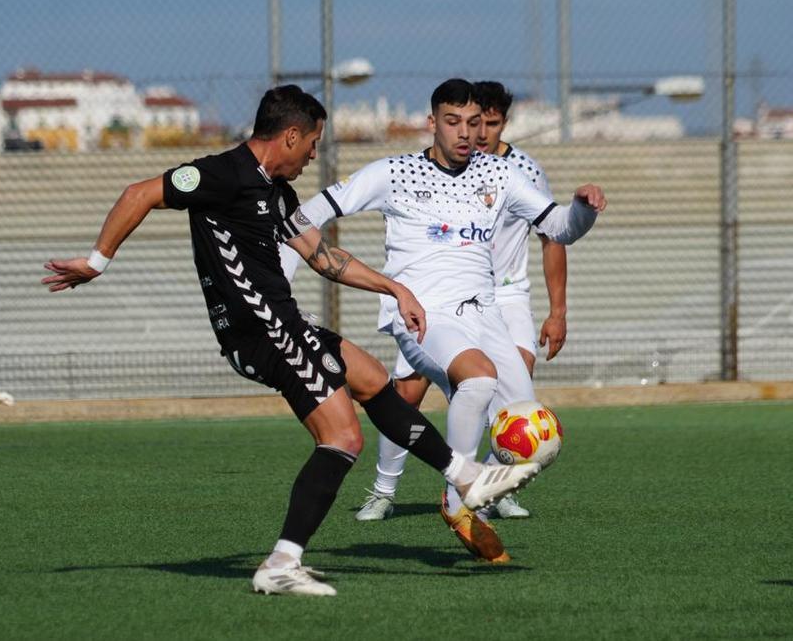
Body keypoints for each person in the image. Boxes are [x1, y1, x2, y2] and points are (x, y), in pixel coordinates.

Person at [41, 85, 540, 597]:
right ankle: (284, 562)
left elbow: (323, 257)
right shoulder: (221, 174)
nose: (313, 155)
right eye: (313, 143)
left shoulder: (277, 194)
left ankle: (463, 476)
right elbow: (138, 193)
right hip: (258, 330)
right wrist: (96, 261)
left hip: (284, 323)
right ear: (291, 135)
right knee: (343, 438)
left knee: (370, 376)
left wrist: (394, 286)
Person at [297, 78, 605, 562]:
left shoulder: (501, 175)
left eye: (474, 123)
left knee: (534, 433)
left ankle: (478, 498)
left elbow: (560, 227)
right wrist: (281, 275)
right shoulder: (393, 172)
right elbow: (306, 215)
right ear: (432, 123)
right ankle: (457, 498)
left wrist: (584, 208)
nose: (465, 132)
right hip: (421, 314)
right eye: (453, 121)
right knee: (478, 380)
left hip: (485, 314)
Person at [354, 81, 567, 523]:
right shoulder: (432, 169)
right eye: (470, 122)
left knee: (513, 397)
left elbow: (552, 235)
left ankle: (491, 485)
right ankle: (384, 489)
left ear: (503, 122)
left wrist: (558, 310)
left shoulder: (522, 169)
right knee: (408, 393)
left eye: (488, 122)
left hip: (505, 295)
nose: (479, 132)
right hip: (442, 299)